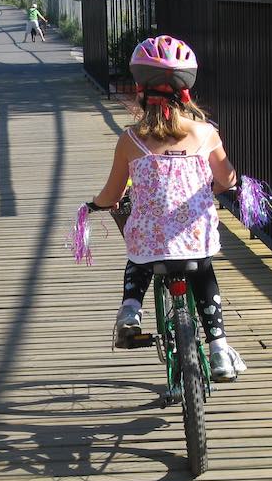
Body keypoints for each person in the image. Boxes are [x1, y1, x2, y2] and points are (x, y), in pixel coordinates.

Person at [86, 36, 247, 382]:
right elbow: (227, 177)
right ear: (185, 92)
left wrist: (97, 205)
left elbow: (112, 193)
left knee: (139, 257)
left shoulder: (131, 140)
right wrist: (217, 187)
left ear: (141, 90)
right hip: (195, 238)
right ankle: (218, 348)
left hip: (151, 243)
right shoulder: (206, 134)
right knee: (203, 269)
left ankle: (130, 312)